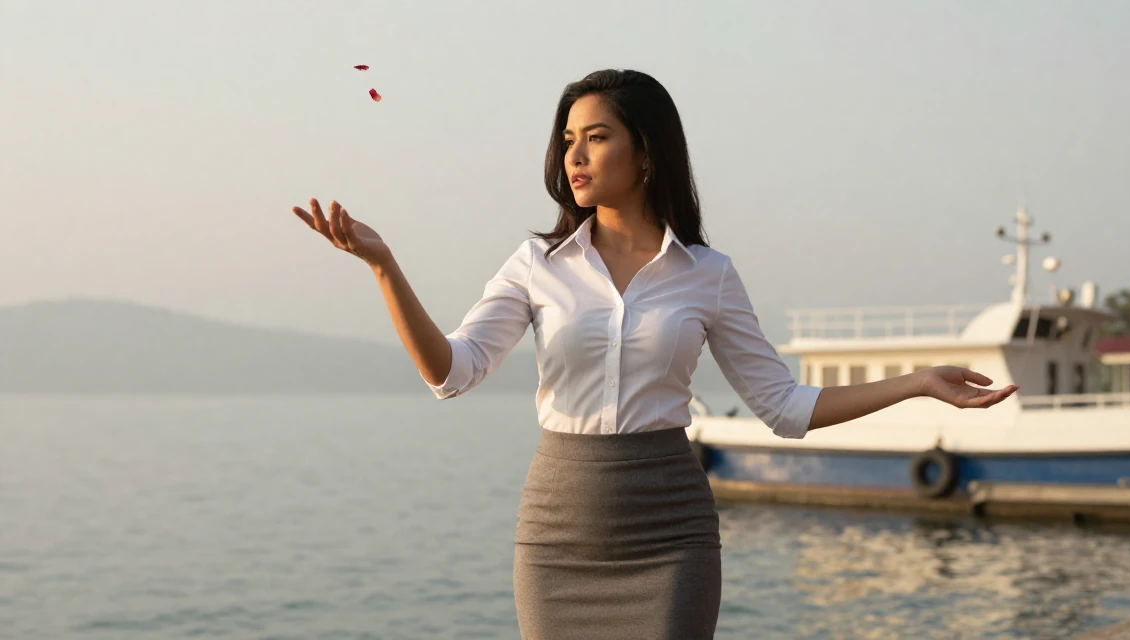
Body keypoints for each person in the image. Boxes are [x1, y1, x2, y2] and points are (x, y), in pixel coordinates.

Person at [290, 69, 1019, 640]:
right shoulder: (536, 263)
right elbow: (451, 371)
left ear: (646, 152)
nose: (574, 154)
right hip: (558, 536)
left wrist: (919, 382)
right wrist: (384, 266)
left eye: (596, 136)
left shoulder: (708, 274)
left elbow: (785, 408)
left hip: (671, 534)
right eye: (567, 139)